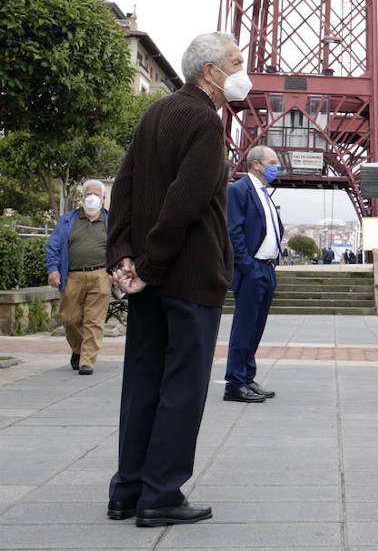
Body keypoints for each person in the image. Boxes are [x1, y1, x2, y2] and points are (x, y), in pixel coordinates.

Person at [105, 32, 247, 528]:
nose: (241, 69)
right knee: (182, 387)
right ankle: (161, 494)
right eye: (235, 62)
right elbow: (185, 204)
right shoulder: (205, 123)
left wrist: (123, 255)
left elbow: (123, 188)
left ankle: (127, 489)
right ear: (210, 71)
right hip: (185, 278)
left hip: (149, 279)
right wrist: (150, 265)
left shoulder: (156, 114)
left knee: (141, 381)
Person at [223, 145, 283, 403]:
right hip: (253, 268)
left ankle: (247, 377)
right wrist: (248, 266)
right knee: (244, 327)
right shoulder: (238, 190)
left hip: (267, 268)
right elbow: (233, 231)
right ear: (257, 164)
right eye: (273, 162)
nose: (276, 167)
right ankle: (234, 384)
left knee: (256, 327)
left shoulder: (264, 193)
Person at [45, 180, 111, 375]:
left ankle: (87, 361)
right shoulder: (68, 220)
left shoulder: (111, 221)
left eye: (96, 194)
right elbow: (53, 246)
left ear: (103, 198)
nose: (92, 197)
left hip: (101, 275)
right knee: (69, 318)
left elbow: (120, 246)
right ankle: (78, 349)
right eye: (88, 193)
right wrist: (52, 269)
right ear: (82, 197)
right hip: (72, 276)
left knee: (93, 320)